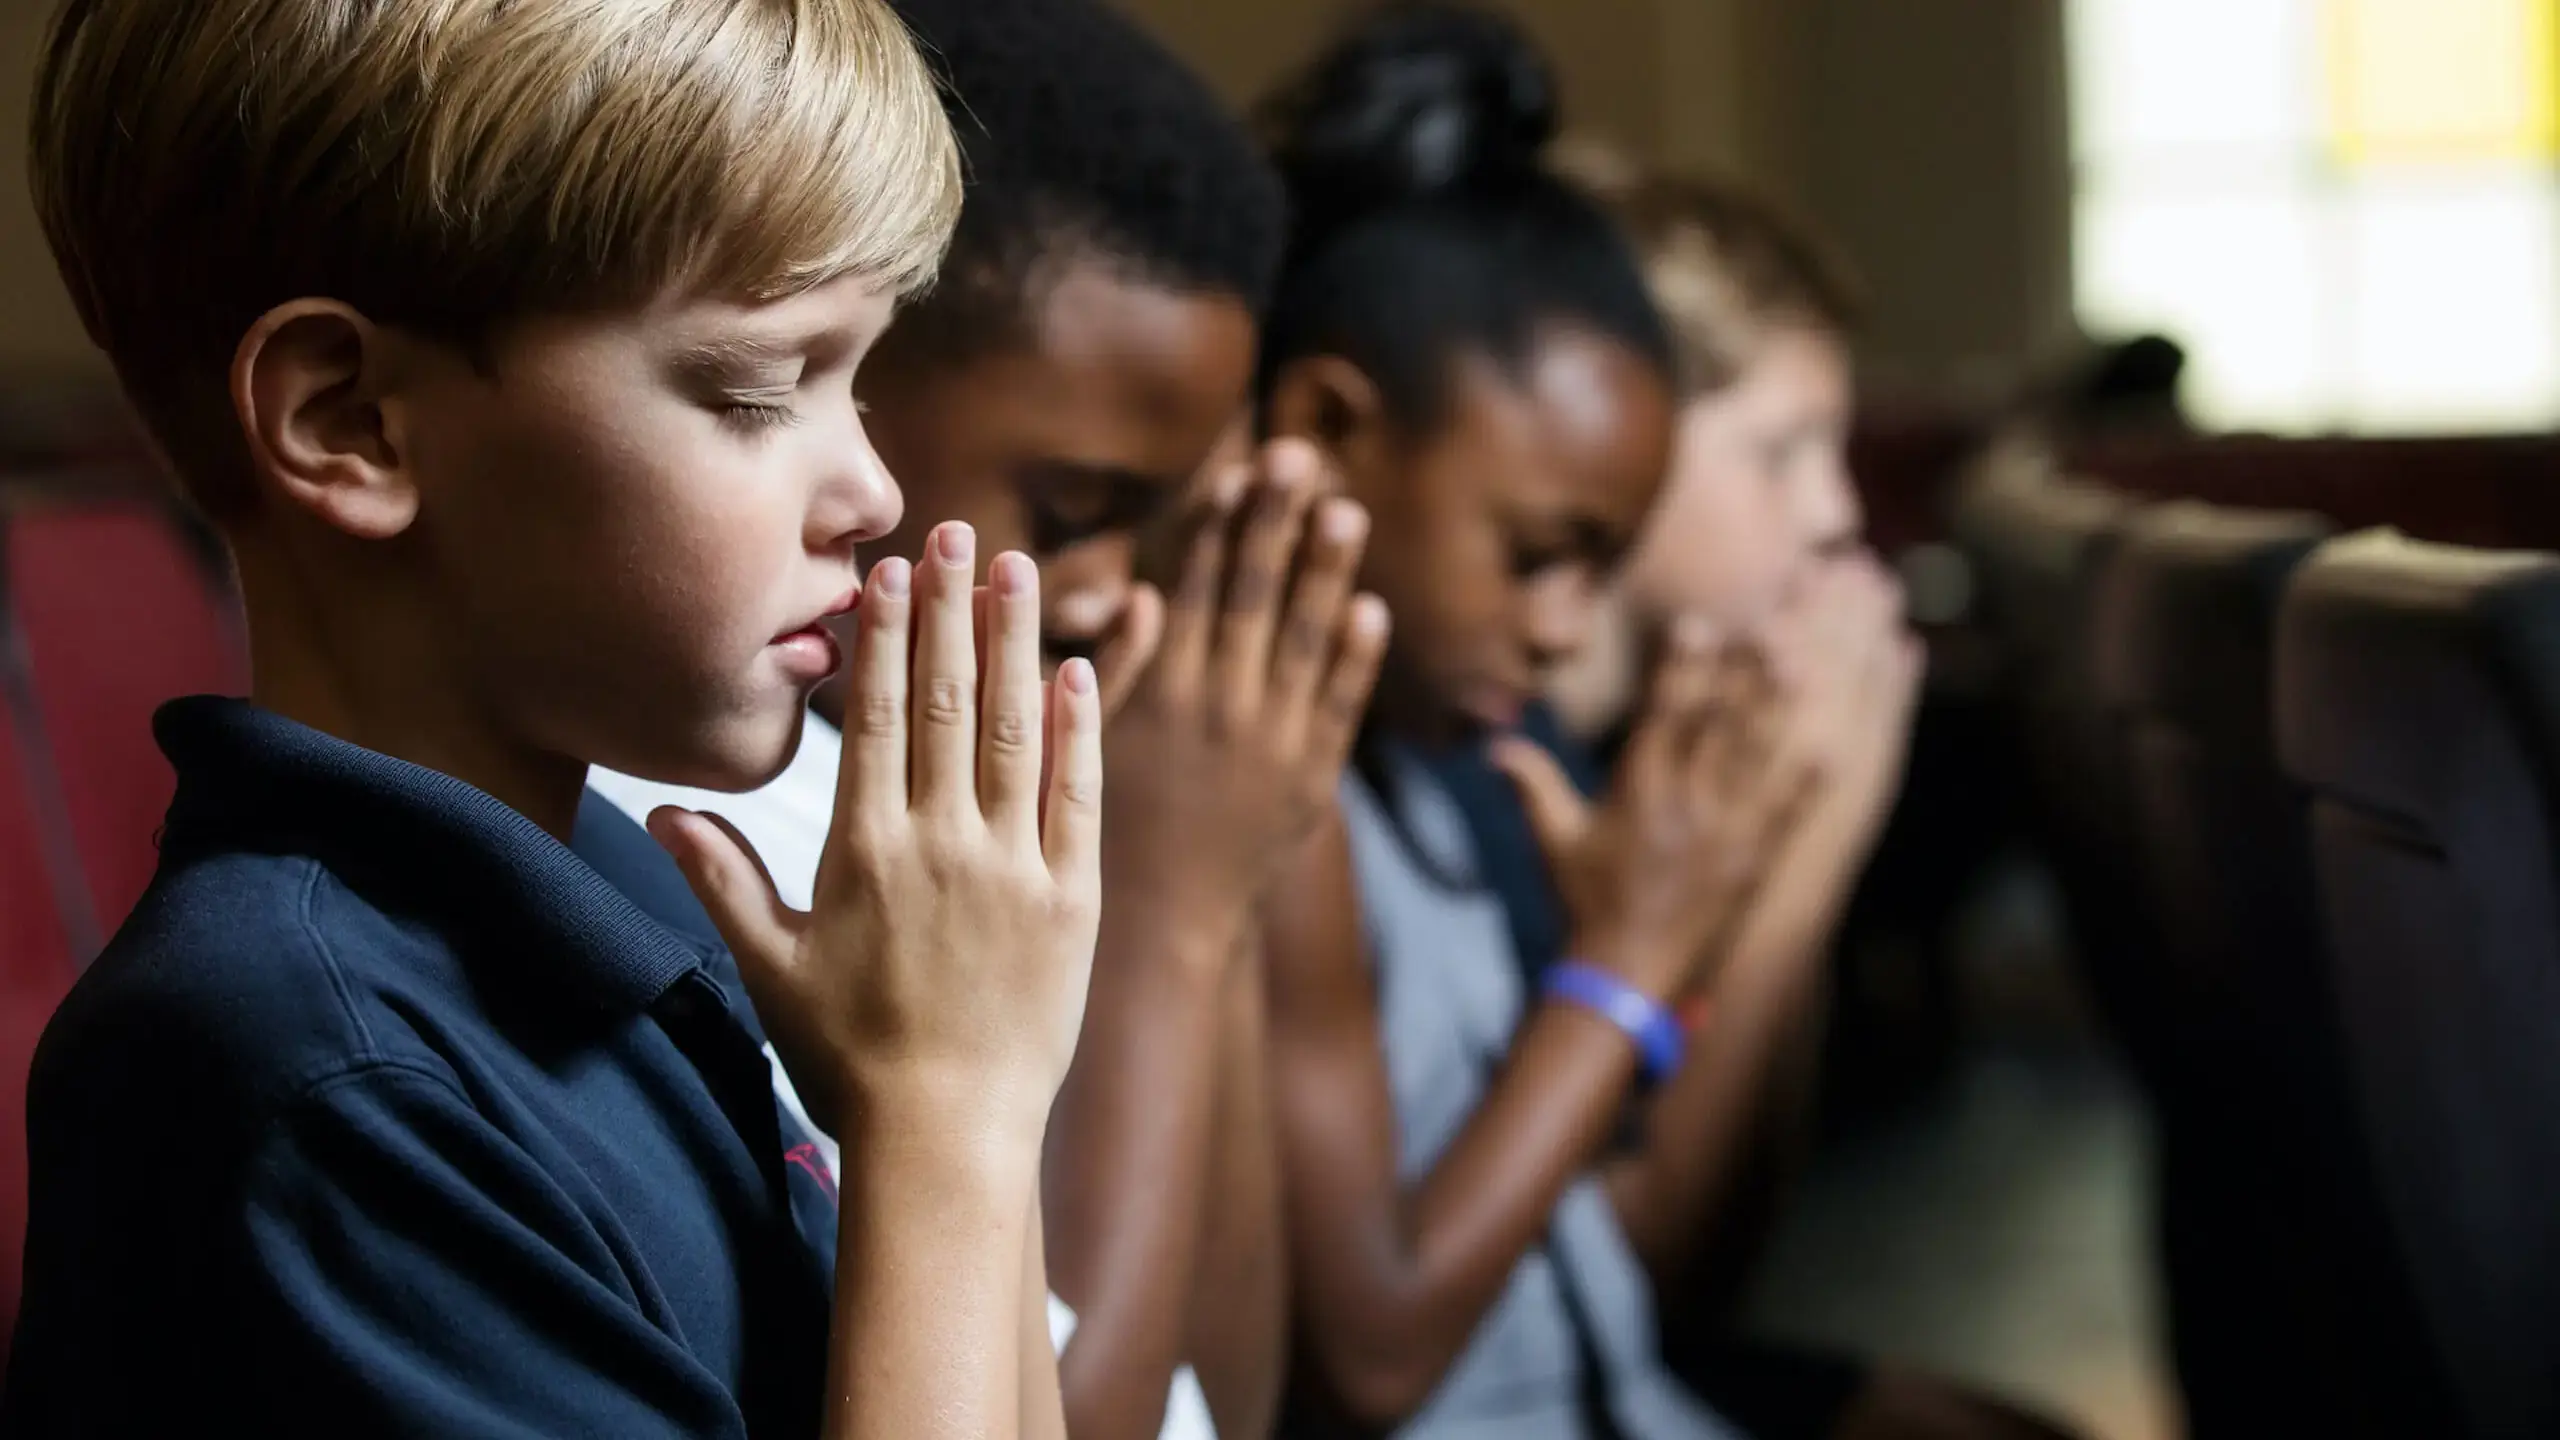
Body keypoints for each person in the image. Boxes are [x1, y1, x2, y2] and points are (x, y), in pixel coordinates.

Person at [4, 2, 1095, 1435]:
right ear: (351, 422)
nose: (876, 493)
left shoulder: (612, 877)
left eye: (861, 377)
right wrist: (948, 1112)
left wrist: (971, 1109)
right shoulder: (312, 1075)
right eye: (757, 389)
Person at [584, 2, 1388, 1438]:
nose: (1099, 595)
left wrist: (1231, 882)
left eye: (1152, 533)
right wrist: (1172, 904)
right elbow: (1092, 1421)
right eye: (1072, 515)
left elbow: (1227, 1400)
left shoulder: (912, 785)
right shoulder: (710, 819)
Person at [1244, 6, 1814, 1437]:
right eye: (1536, 550)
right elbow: (1368, 1359)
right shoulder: (1275, 806)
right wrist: (1628, 960)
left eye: (1602, 569)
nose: (1565, 629)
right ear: (1324, 430)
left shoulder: (1437, 774)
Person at [1444, 160, 2080, 1440]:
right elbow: (1639, 1279)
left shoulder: (1603, 752)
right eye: (1778, 454)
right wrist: (1807, 860)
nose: (1835, 513)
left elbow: (1715, 1269)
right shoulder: (1488, 763)